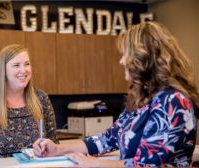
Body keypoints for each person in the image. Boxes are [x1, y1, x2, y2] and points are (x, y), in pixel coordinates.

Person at [33, 21, 199, 167]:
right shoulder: (141, 99)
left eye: (125, 54)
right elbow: (108, 139)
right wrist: (58, 149)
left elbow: (147, 165)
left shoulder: (173, 101)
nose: (121, 61)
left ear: (143, 58)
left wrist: (94, 164)